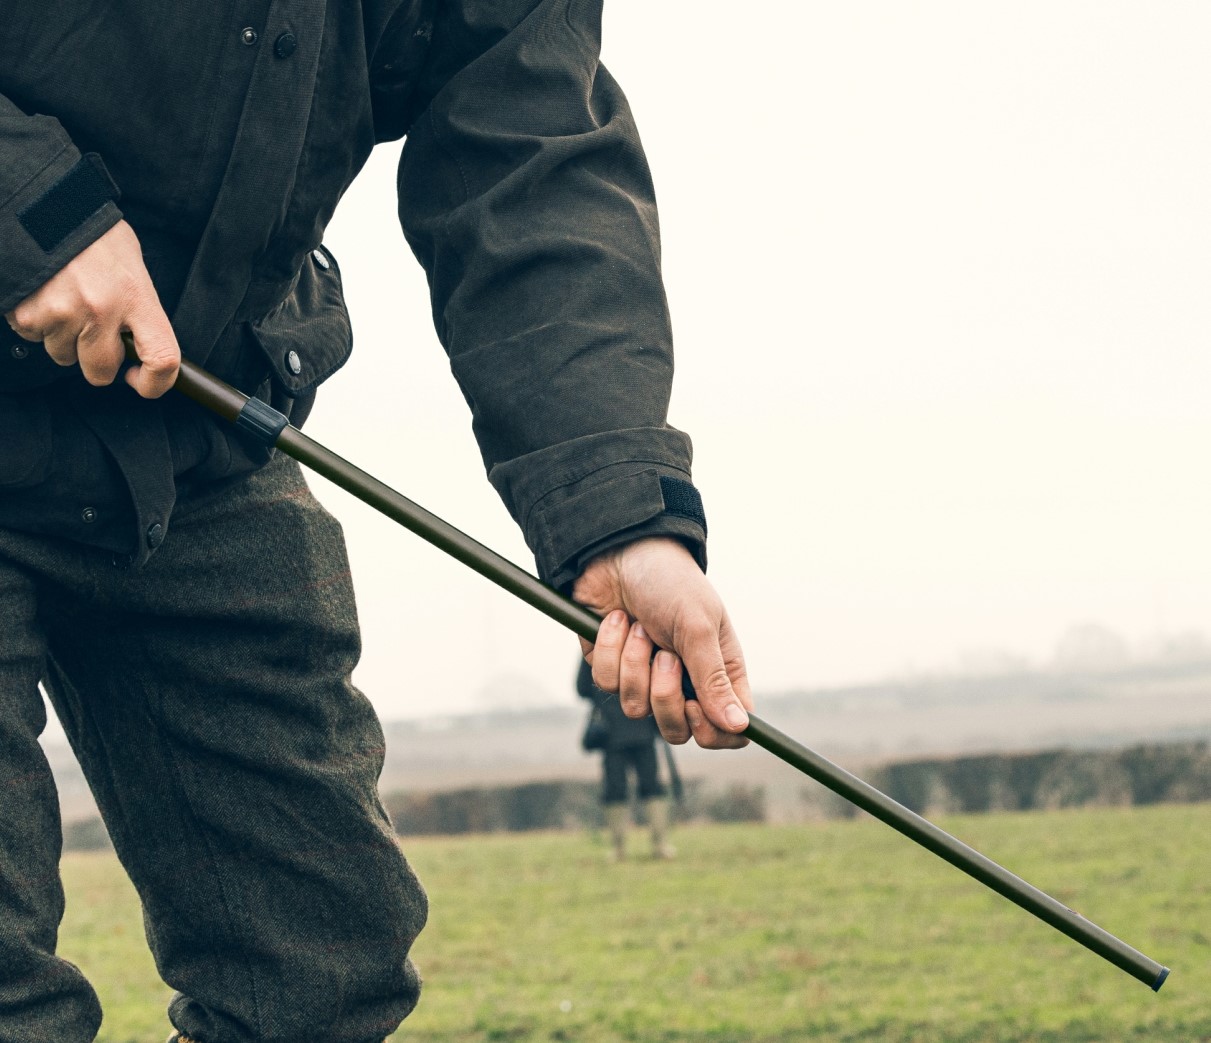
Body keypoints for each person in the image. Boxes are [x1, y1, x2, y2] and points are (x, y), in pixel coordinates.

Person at [0, 2, 754, 1041]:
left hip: (193, 429)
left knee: (321, 981)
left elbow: (530, 159)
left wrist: (622, 516)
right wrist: (29, 206)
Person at [577, 658, 676, 861]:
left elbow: (582, 688)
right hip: (640, 728)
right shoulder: (642, 638)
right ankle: (658, 845)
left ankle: (620, 848)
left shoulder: (593, 647)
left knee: (618, 789)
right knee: (648, 787)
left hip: (616, 732)